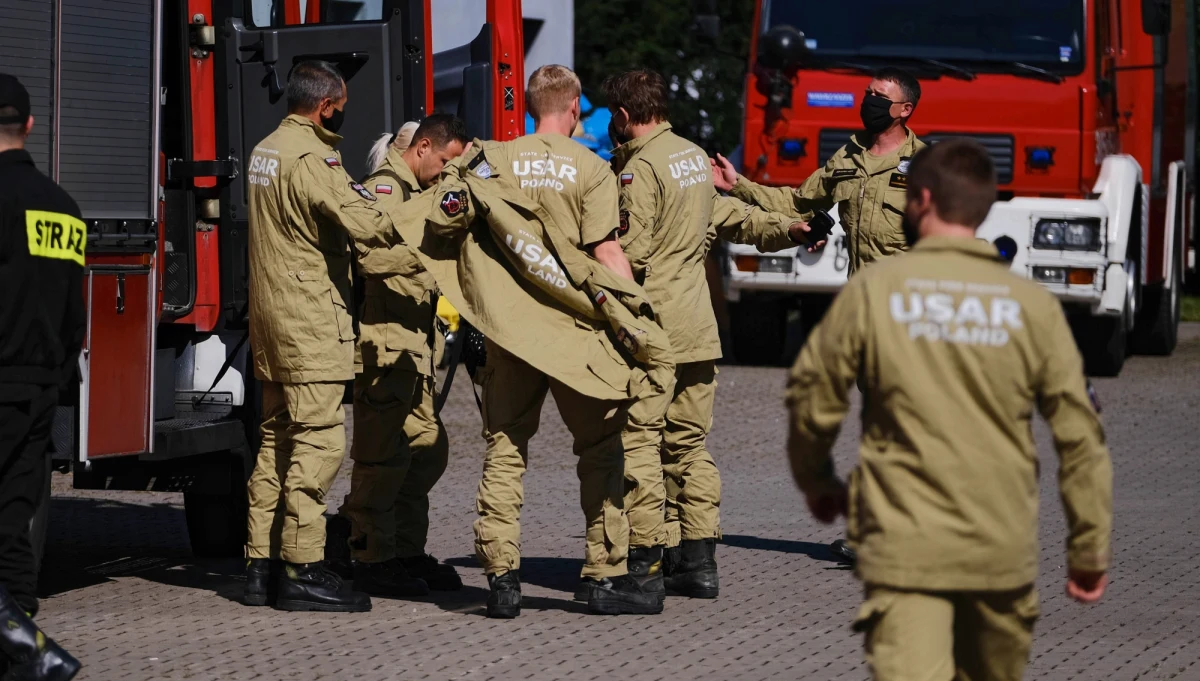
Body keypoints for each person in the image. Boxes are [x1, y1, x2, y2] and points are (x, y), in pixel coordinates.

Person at [785, 138, 1112, 680]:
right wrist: (1089, 547)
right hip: (999, 544)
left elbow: (812, 397)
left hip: (903, 539)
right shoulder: (1031, 307)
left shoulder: (874, 291)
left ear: (924, 200)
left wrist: (818, 480)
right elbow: (1080, 436)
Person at [388, 64, 672, 618]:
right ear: (574, 107)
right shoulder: (592, 168)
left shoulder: (492, 160)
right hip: (575, 339)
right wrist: (639, 319)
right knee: (600, 452)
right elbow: (606, 254)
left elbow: (449, 225)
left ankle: (501, 578)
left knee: (505, 449)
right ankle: (602, 576)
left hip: (509, 333)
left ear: (531, 106)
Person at [593, 69, 816, 602]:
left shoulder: (640, 169)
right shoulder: (694, 157)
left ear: (623, 116)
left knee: (642, 442)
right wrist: (790, 229)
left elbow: (632, 252)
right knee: (690, 445)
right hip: (699, 328)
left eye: (612, 119)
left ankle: (645, 562)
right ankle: (697, 560)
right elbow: (733, 217)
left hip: (657, 331)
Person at [241, 60, 403, 612]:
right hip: (309, 321)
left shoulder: (266, 149)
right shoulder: (313, 156)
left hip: (270, 320)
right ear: (327, 105)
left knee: (274, 443)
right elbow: (365, 221)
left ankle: (259, 565)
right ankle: (303, 568)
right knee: (318, 443)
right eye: (342, 104)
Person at [337, 114, 469, 597]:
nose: (448, 174)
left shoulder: (415, 192)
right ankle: (368, 552)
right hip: (385, 346)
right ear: (422, 148)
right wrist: (431, 254)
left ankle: (405, 549)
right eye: (445, 162)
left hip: (413, 349)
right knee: (382, 459)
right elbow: (371, 257)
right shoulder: (387, 191)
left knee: (424, 454)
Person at [0, 72, 83, 681]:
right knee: (15, 515)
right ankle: (20, 626)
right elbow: (73, 315)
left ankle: (23, 648)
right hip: (40, 387)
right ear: (29, 125)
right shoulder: (64, 207)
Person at [713, 67, 926, 274]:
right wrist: (737, 184)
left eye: (879, 96)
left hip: (908, 297)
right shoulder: (847, 156)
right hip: (860, 294)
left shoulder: (925, 165)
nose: (870, 100)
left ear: (905, 109)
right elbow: (798, 204)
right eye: (868, 93)